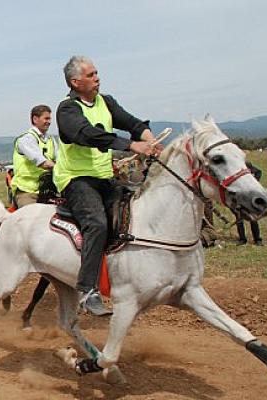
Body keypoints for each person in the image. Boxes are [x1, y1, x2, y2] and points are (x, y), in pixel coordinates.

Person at [53, 55, 160, 316]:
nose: (97, 77)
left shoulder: (106, 102)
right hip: (76, 179)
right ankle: (88, 289)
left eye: (97, 73)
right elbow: (87, 134)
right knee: (97, 224)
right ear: (75, 82)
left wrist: (149, 139)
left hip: (104, 178)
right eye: (91, 75)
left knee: (134, 215)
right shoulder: (67, 109)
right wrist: (131, 145)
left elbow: (131, 123)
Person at [11, 105, 58, 208]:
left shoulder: (51, 140)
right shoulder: (26, 140)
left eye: (50, 118)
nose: (49, 122)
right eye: (46, 118)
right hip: (27, 192)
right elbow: (43, 163)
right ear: (35, 119)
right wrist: (59, 166)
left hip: (48, 190)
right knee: (29, 221)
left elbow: (60, 159)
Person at [235, 162, 263, 246]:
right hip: (239, 196)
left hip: (250, 197)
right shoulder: (234, 167)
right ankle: (242, 239)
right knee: (239, 219)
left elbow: (259, 172)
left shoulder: (247, 164)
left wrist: (255, 181)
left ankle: (257, 239)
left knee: (253, 219)